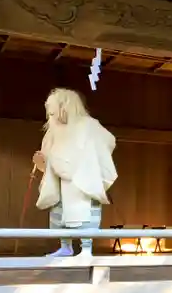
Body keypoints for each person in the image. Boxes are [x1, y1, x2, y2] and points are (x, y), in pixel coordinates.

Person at [32, 88, 118, 257]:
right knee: (60, 213)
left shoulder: (89, 126)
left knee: (84, 213)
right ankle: (65, 246)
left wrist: (86, 160)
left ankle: (86, 248)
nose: (53, 116)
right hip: (60, 181)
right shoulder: (53, 130)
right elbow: (49, 154)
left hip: (83, 180)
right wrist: (44, 160)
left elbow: (107, 141)